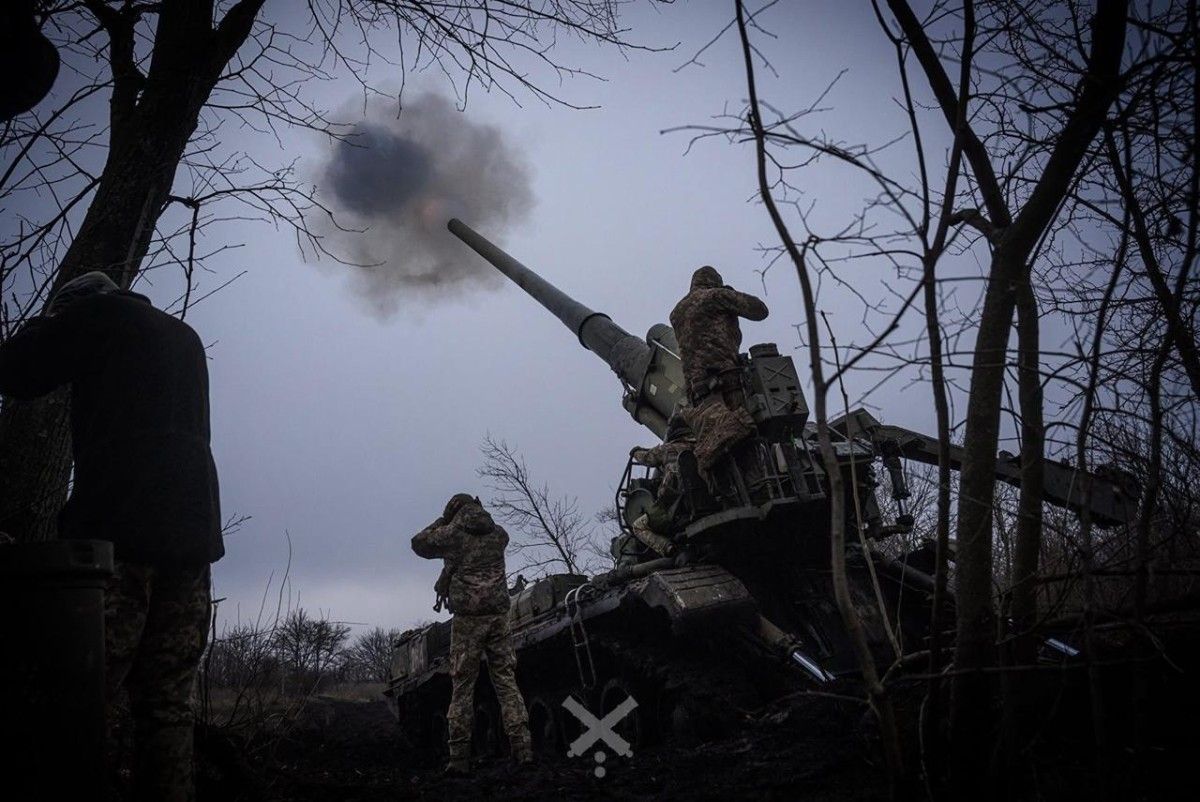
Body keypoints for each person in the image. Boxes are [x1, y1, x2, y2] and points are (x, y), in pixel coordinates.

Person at [0, 271, 223, 802]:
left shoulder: (96, 316)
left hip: (121, 535)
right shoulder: (182, 334)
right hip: (192, 537)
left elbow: (15, 371)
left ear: (76, 306)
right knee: (168, 703)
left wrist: (49, 324)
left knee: (82, 694)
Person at [411, 493, 532, 774]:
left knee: (463, 686)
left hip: (468, 621)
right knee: (506, 681)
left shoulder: (451, 534)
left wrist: (443, 520)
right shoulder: (499, 534)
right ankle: (523, 748)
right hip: (499, 617)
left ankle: (459, 757)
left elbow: (418, 543)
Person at [668, 266, 769, 474]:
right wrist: (728, 293)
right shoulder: (715, 296)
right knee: (743, 436)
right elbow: (760, 310)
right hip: (727, 385)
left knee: (719, 447)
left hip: (698, 396)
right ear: (715, 282)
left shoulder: (676, 312)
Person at [627, 411, 696, 557]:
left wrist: (635, 452)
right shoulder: (698, 446)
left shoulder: (667, 450)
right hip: (699, 500)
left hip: (672, 507)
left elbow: (647, 458)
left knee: (638, 526)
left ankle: (668, 548)